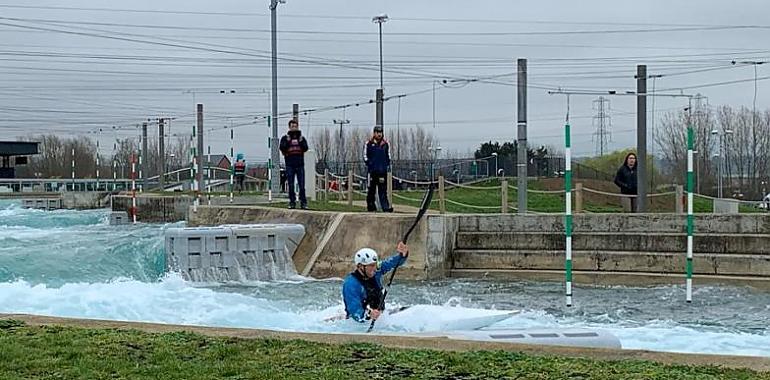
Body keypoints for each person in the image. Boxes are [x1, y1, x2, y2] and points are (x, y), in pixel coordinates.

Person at [342, 242, 409, 322]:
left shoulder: (376, 270)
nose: (375, 268)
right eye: (371, 266)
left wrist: (402, 255)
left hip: (381, 315)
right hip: (360, 322)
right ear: (360, 266)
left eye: (375, 264)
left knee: (409, 310)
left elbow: (391, 263)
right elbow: (354, 310)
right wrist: (369, 314)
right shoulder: (350, 284)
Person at [279, 119, 309, 209]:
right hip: (290, 164)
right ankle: (292, 202)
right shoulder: (285, 138)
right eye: (292, 126)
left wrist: (300, 141)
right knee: (291, 185)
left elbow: (305, 148)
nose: (294, 128)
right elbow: (282, 148)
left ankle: (303, 202)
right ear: (289, 127)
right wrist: (288, 142)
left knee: (302, 185)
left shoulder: (301, 138)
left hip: (300, 164)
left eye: (295, 126)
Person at [363, 125, 393, 212]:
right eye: (377, 132)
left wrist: (386, 165)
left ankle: (385, 207)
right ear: (374, 133)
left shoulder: (385, 144)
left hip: (382, 171)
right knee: (371, 190)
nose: (379, 134)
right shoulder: (368, 143)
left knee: (383, 190)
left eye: (380, 132)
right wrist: (369, 164)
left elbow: (389, 156)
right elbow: (365, 156)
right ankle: (371, 206)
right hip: (372, 171)